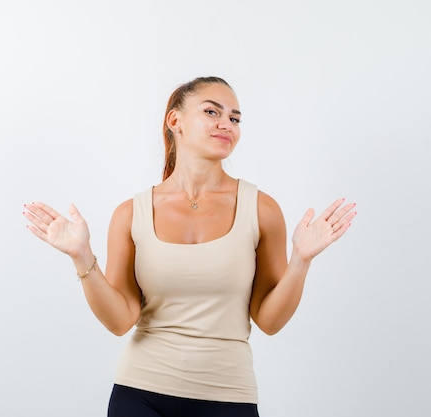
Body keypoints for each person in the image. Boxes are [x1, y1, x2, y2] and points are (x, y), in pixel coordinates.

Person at [23, 76, 357, 417]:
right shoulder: (131, 214)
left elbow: (269, 321)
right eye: (212, 111)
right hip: (140, 393)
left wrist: (301, 260)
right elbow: (120, 320)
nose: (226, 124)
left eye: (234, 118)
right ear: (175, 121)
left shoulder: (261, 209)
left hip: (229, 396)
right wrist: (81, 256)